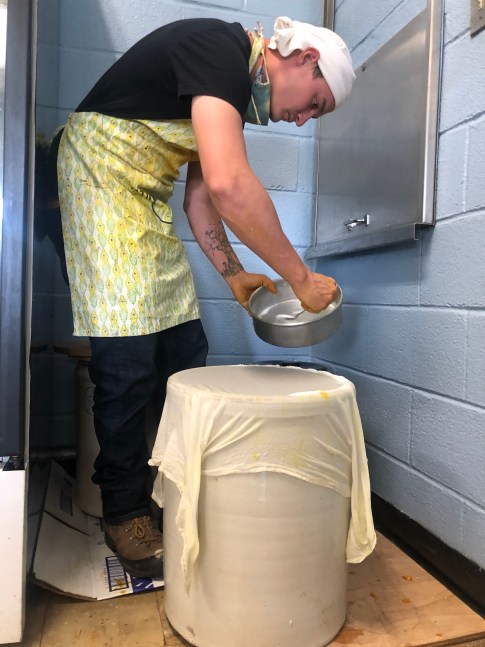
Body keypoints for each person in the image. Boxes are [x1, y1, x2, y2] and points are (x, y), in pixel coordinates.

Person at [55, 15, 355, 578]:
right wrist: (300, 279)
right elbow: (228, 184)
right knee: (128, 362)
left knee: (185, 350)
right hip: (99, 179)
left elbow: (200, 200)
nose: (302, 120)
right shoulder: (219, 48)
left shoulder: (228, 93)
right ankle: (123, 511)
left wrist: (235, 276)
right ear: (305, 59)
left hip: (140, 196)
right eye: (316, 103)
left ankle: (175, 494)